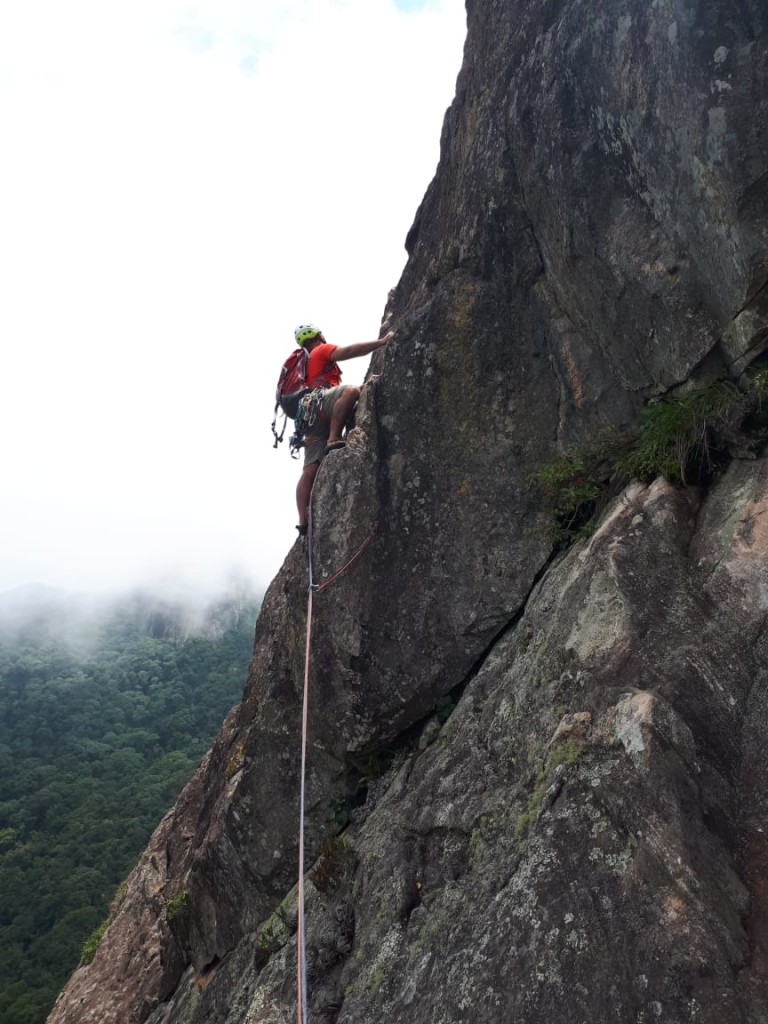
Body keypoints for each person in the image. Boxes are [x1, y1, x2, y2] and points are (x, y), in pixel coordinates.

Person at [293, 323, 393, 536]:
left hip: (309, 417)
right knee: (349, 392)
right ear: (319, 335)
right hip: (320, 405)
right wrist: (382, 342)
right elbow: (348, 351)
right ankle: (333, 438)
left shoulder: (304, 363)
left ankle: (302, 521)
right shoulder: (321, 350)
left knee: (310, 469)